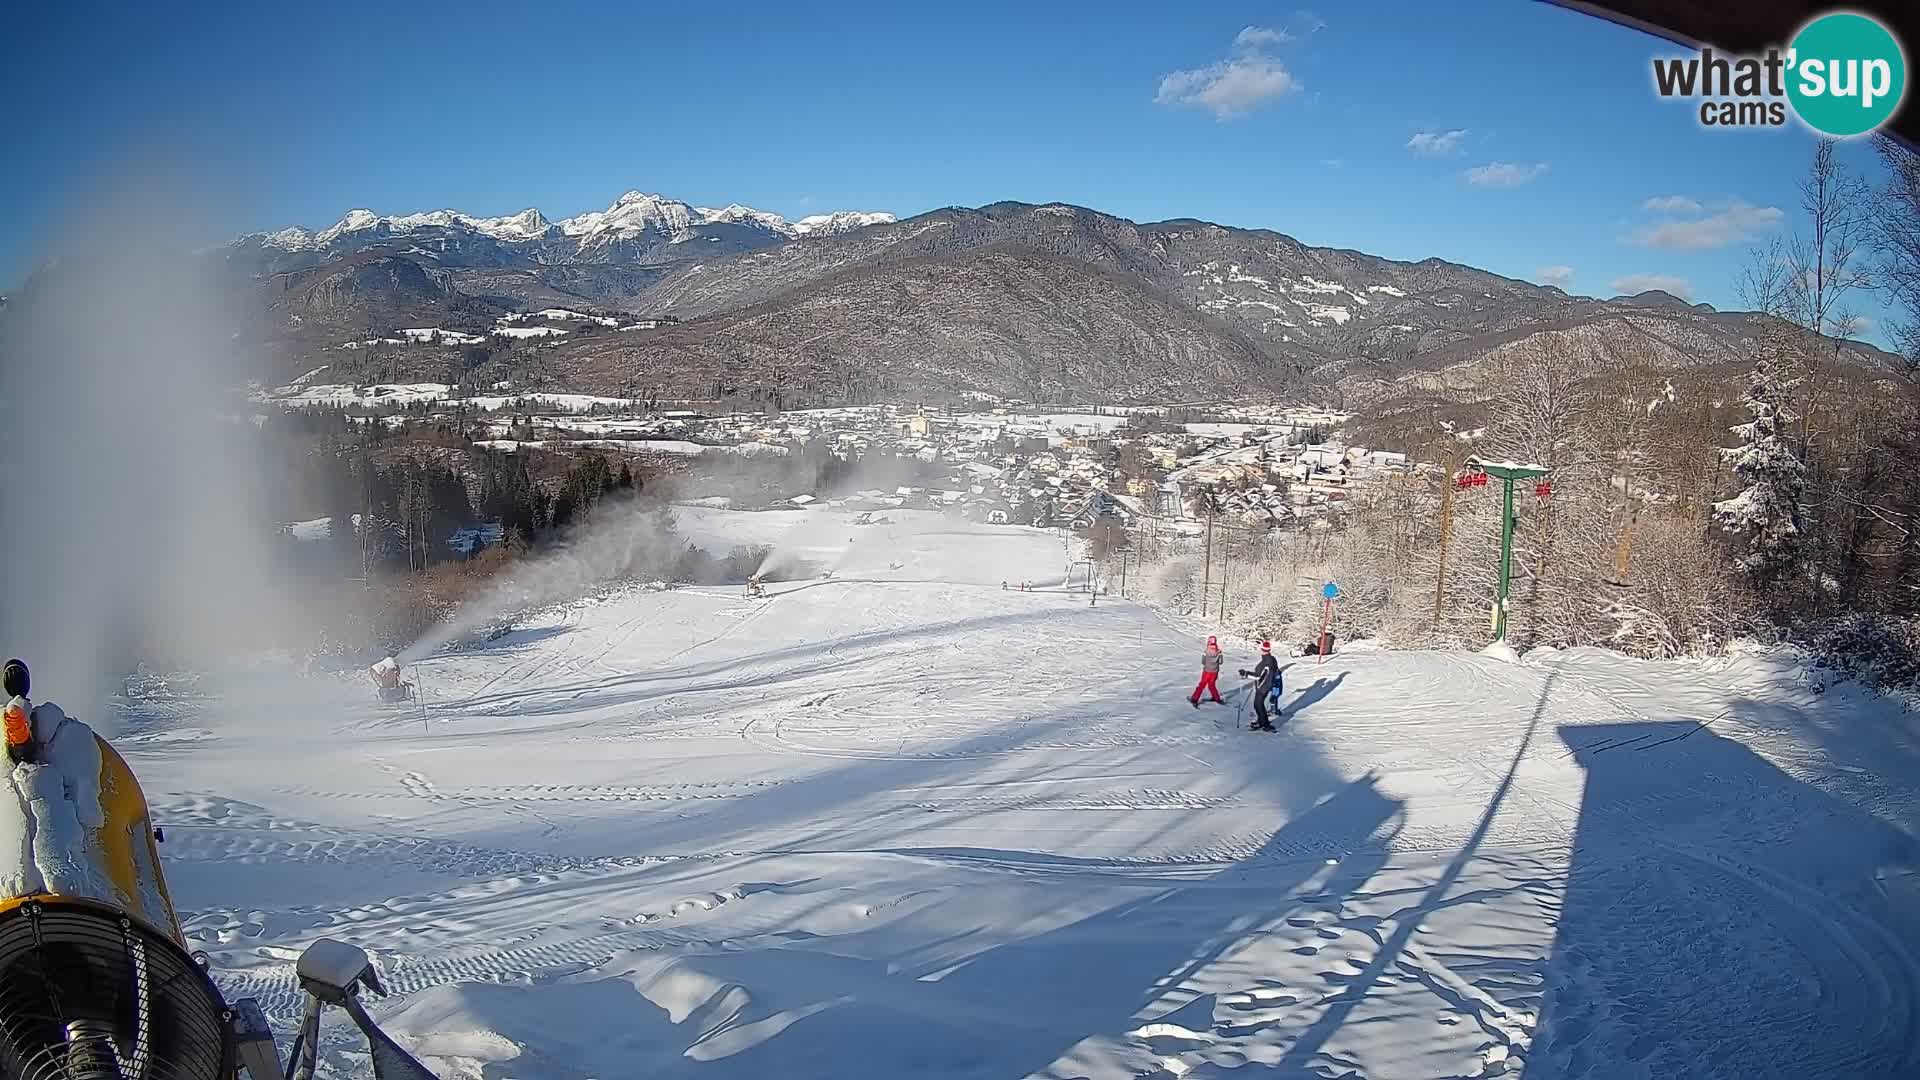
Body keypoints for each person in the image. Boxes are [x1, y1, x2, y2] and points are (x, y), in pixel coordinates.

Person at [1239, 641, 1282, 731]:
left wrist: (1245, 673)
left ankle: (1265, 724)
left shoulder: (1265, 662)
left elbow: (1257, 675)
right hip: (1266, 685)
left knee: (1258, 705)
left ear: (1262, 650)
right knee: (1258, 704)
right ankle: (1261, 721)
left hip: (1262, 687)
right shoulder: (1272, 659)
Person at [1189, 636, 1225, 707]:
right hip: (1215, 672)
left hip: (1207, 671)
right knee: (1212, 685)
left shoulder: (1206, 651)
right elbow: (1221, 662)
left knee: (1202, 685)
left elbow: (1203, 662)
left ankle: (1194, 699)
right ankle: (1216, 698)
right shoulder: (1218, 652)